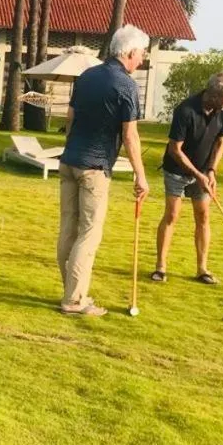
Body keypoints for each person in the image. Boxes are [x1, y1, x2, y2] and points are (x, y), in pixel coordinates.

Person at [56, 25, 151, 316]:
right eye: (142, 54)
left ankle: (74, 291)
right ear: (130, 52)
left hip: (69, 161)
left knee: (68, 229)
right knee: (89, 233)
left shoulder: (87, 75)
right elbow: (130, 136)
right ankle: (74, 300)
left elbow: (70, 117)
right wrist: (141, 175)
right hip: (94, 167)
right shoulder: (125, 85)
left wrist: (73, 146)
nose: (142, 60)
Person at [152, 71, 223, 285]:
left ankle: (202, 269)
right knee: (172, 215)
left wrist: (211, 170)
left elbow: (221, 143)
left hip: (203, 171)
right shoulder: (185, 110)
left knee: (203, 217)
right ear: (215, 96)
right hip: (177, 169)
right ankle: (160, 267)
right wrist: (197, 175)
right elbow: (175, 149)